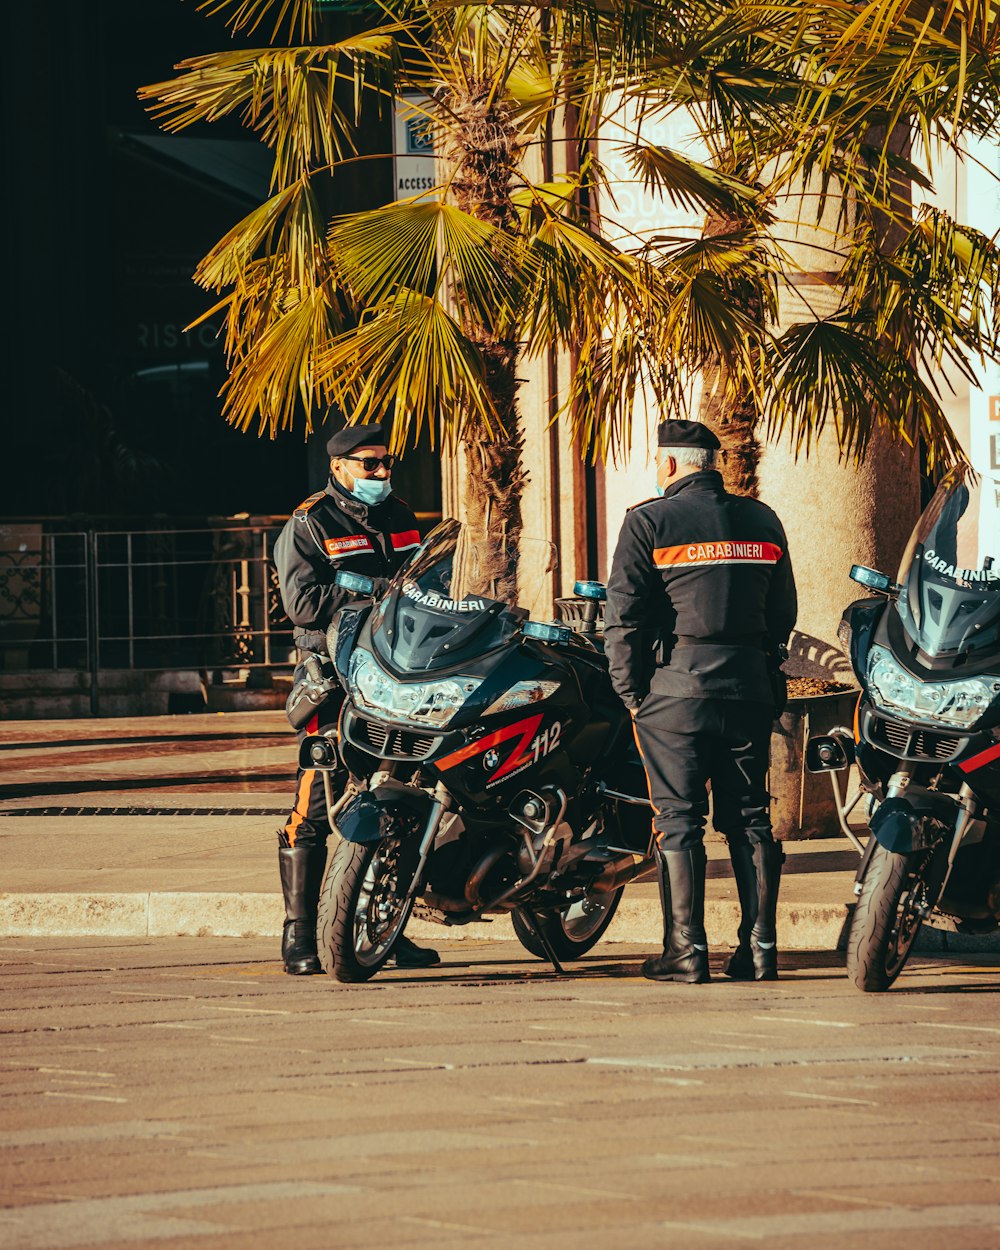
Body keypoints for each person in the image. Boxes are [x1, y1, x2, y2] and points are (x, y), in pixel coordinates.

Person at [604, 420, 797, 984]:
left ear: (667, 465)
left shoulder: (649, 521)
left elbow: (624, 619)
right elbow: (782, 611)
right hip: (748, 688)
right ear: (713, 463)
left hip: (675, 691)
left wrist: (631, 693)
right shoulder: (763, 519)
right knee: (751, 819)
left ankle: (686, 952)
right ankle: (760, 950)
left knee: (679, 821)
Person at [272, 423, 439, 975]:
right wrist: (368, 590)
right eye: (369, 465)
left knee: (402, 797)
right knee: (318, 802)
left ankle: (383, 925)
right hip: (337, 676)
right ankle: (300, 935)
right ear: (340, 467)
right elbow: (303, 603)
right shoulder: (310, 522)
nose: (381, 474)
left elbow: (430, 587)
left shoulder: (400, 516)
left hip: (401, 675)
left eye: (386, 463)